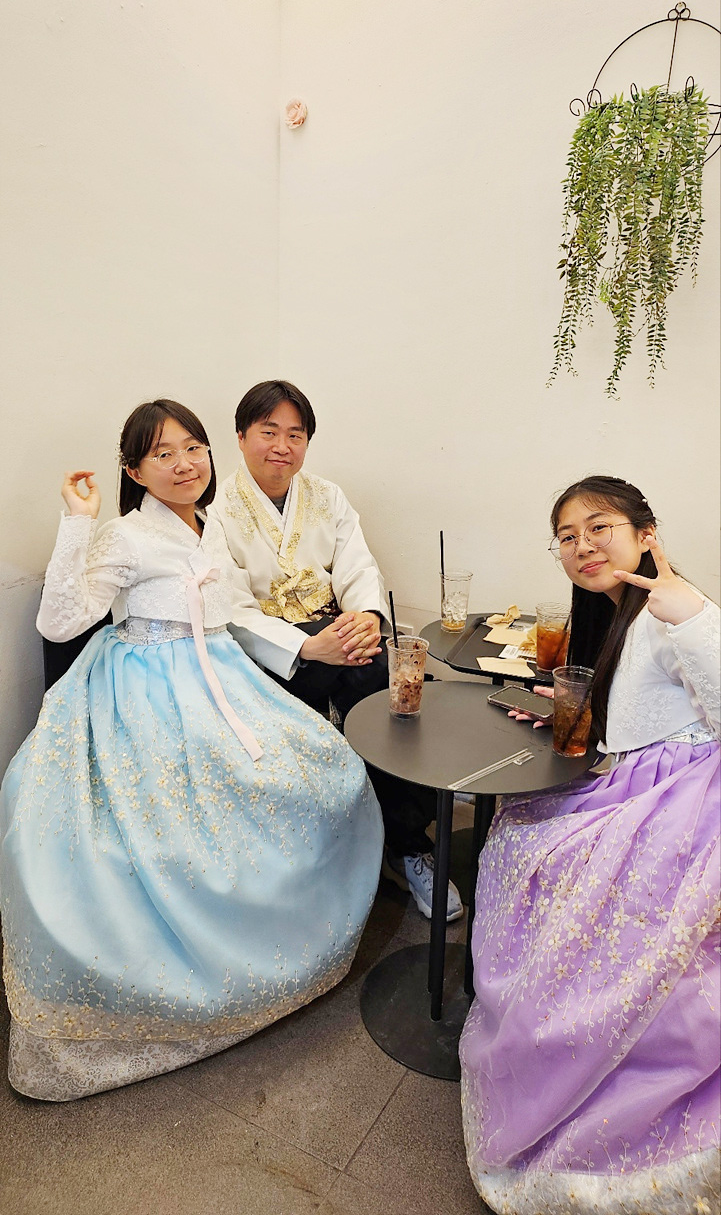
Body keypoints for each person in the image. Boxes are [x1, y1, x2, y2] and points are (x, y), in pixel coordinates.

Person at [0, 399, 383, 1101]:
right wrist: (76, 521)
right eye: (162, 453)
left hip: (220, 674)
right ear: (133, 470)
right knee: (166, 825)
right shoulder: (123, 535)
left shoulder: (211, 526)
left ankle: (282, 945)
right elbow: (59, 622)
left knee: (327, 772)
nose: (183, 464)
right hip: (145, 687)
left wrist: (309, 647)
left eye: (193, 448)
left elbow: (233, 615)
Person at [459, 476, 720, 1214]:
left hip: (681, 796)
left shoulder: (672, 607)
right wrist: (576, 710)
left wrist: (692, 615)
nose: (582, 546)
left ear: (645, 534)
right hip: (636, 775)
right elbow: (642, 704)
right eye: (567, 538)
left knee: (547, 857)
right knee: (518, 834)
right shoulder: (620, 614)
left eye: (599, 527)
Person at [209, 380, 462, 922]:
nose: (282, 446)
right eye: (269, 432)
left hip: (338, 632)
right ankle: (322, 857)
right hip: (272, 648)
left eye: (295, 435)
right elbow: (229, 606)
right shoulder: (216, 508)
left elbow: (357, 566)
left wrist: (366, 619)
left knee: (399, 690)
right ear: (241, 436)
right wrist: (305, 645)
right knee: (319, 696)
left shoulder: (327, 496)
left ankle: (407, 843)